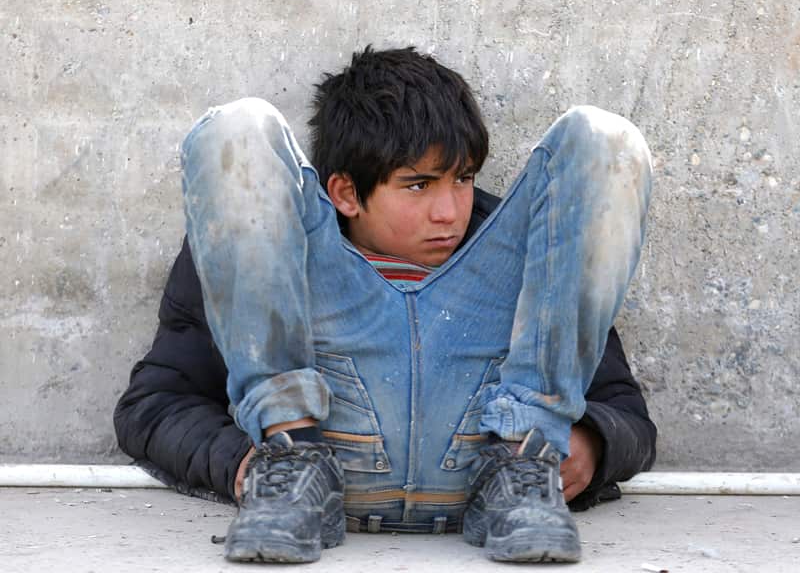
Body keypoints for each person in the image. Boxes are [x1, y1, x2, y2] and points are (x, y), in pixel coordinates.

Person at [114, 46, 656, 564]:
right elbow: (154, 406)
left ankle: (521, 467)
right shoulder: (260, 246)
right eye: (417, 186)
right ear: (347, 194)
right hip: (309, 479)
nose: (449, 211)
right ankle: (294, 456)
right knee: (235, 127)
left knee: (604, 137)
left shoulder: (533, 252)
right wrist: (248, 465)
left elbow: (626, 414)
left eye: (462, 179)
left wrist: (590, 445)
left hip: (506, 478)